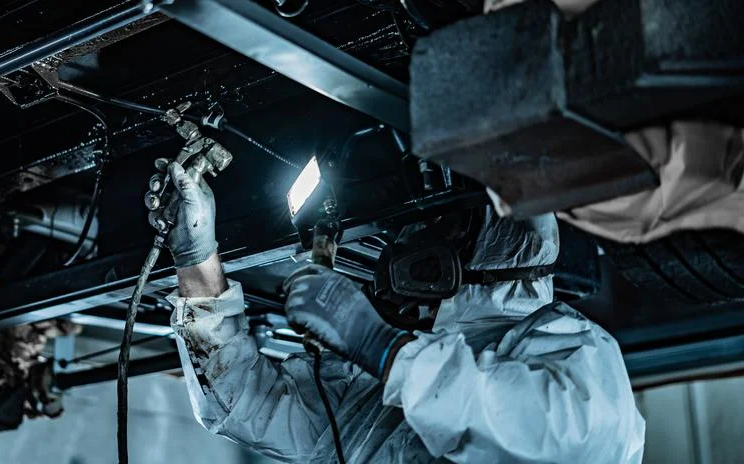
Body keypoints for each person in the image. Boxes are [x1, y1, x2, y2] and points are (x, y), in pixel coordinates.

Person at [153, 161, 646, 463]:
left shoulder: (571, 354)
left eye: (423, 233)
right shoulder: (388, 389)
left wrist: (380, 346)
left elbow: (562, 438)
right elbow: (248, 402)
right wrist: (197, 253)